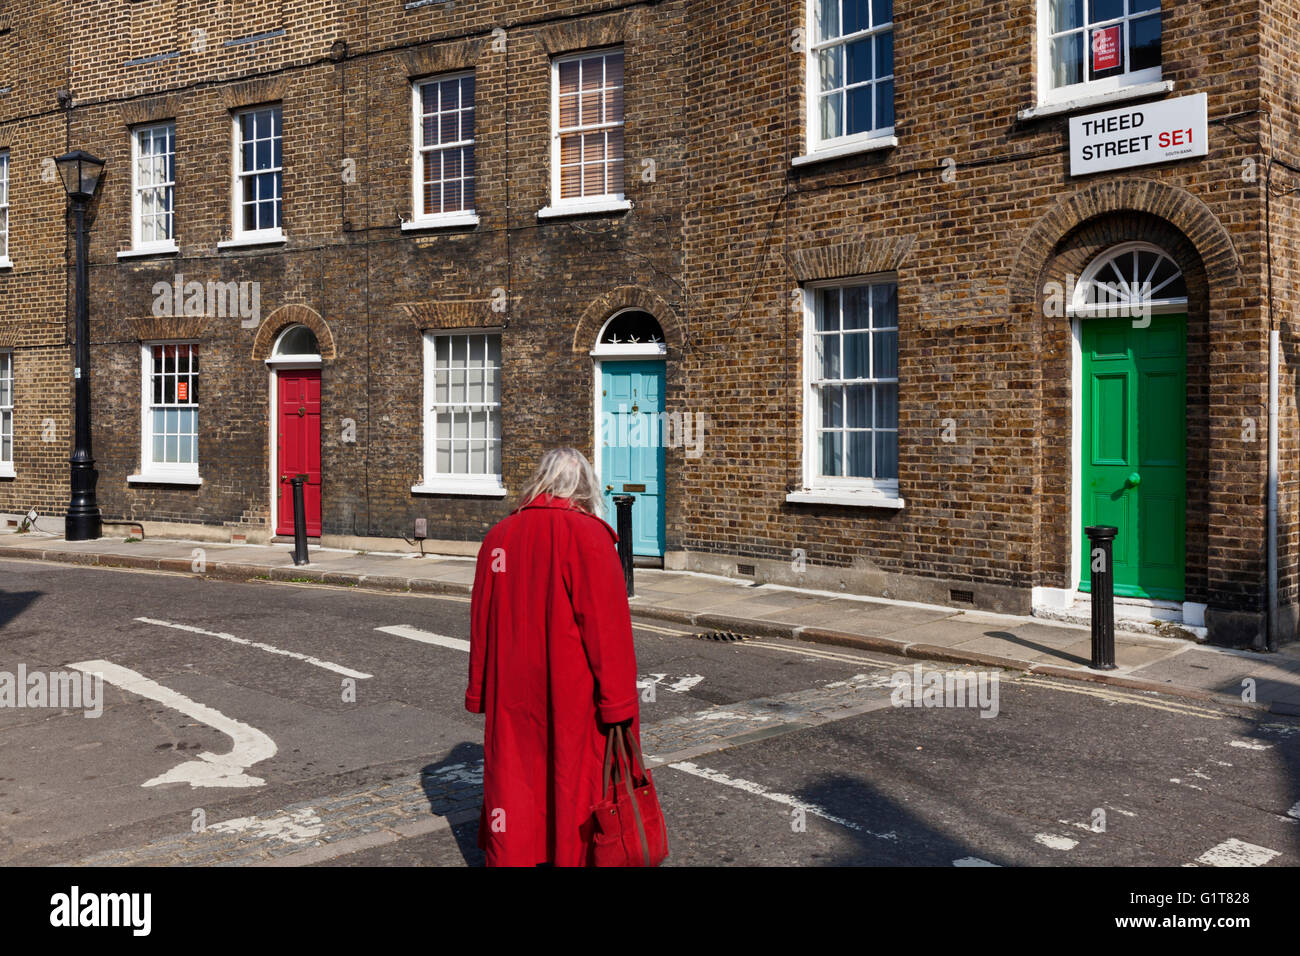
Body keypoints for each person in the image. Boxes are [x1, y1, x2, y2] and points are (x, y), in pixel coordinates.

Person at [466, 447, 640, 867]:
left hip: (510, 693)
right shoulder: (590, 537)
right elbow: (608, 633)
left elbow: (481, 622)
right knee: (571, 786)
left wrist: (479, 690)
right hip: (573, 696)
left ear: (540, 483)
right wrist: (618, 703)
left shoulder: (499, 537)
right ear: (585, 489)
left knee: (515, 782)